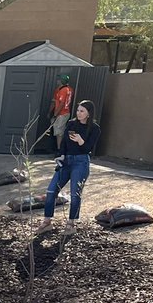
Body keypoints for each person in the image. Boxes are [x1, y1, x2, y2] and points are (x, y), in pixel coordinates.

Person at [37, 99, 100, 234]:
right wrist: (60, 156)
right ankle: (47, 222)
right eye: (78, 110)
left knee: (75, 194)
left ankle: (71, 224)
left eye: (82, 111)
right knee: (51, 190)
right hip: (66, 161)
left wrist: (80, 141)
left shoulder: (94, 128)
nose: (79, 113)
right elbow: (64, 143)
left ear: (89, 113)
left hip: (81, 162)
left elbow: (88, 148)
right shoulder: (71, 124)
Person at [48, 74, 73, 150]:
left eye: (59, 79)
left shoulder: (62, 90)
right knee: (58, 130)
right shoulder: (70, 89)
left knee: (59, 132)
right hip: (66, 112)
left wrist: (55, 114)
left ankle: (59, 149)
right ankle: (58, 148)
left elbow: (61, 103)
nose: (57, 81)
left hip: (61, 113)